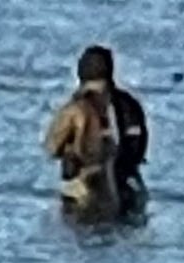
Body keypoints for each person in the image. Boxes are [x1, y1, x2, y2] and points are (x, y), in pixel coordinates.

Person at [43, 45, 150, 219]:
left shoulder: (75, 110)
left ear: (80, 72)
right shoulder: (130, 104)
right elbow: (140, 148)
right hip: (128, 187)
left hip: (87, 190)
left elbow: (52, 148)